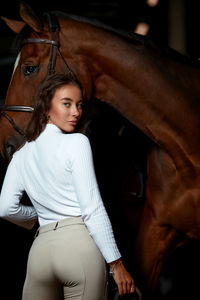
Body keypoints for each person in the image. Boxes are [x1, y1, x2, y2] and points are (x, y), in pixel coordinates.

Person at [0, 73, 135, 300]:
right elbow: (92, 209)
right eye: (67, 104)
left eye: (79, 105)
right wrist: (116, 264)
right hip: (78, 248)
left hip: (40, 253)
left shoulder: (21, 156)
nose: (76, 112)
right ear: (45, 107)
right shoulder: (77, 143)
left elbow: (5, 209)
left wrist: (38, 217)